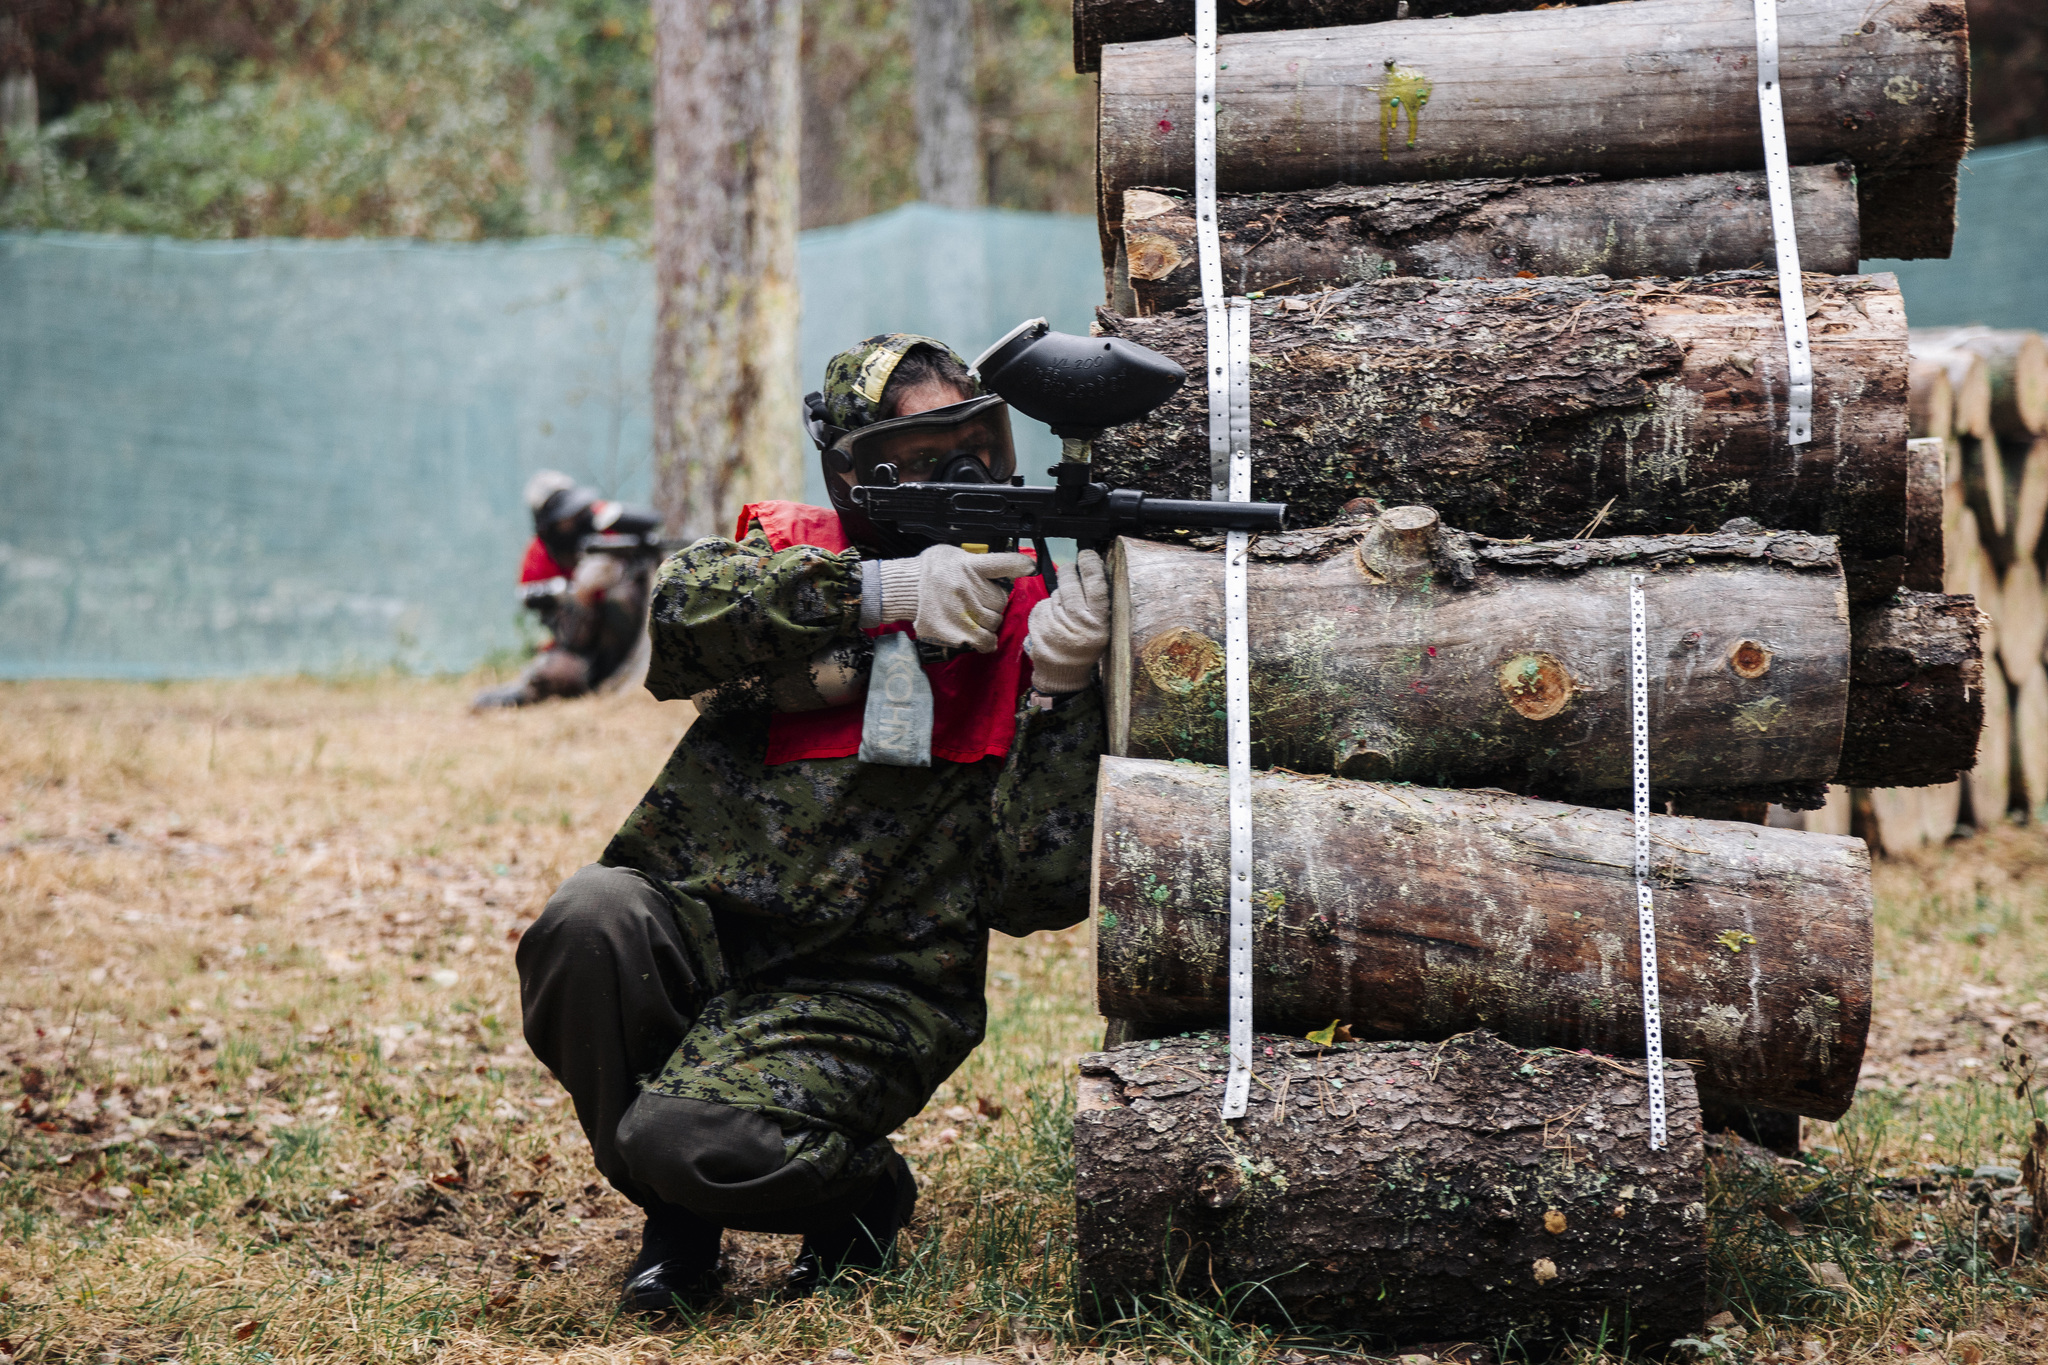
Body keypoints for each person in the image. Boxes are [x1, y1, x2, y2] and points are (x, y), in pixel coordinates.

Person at [515, 334, 1111, 1309]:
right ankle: (682, 1225)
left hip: (876, 986)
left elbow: (1037, 897)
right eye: (916, 456)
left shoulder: (1032, 616)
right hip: (714, 936)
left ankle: (859, 1194)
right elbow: (676, 619)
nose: (957, 473)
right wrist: (879, 595)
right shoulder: (795, 564)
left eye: (971, 443)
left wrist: (1058, 690)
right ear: (851, 471)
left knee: (682, 1138)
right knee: (590, 919)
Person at [472, 472, 664, 710]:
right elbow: (566, 639)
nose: (573, 522)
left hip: (628, 649)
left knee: (623, 597)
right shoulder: (537, 558)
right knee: (554, 674)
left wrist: (617, 569)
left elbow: (652, 524)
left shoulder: (602, 521)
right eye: (564, 520)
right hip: (580, 656)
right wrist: (579, 594)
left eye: (575, 515)